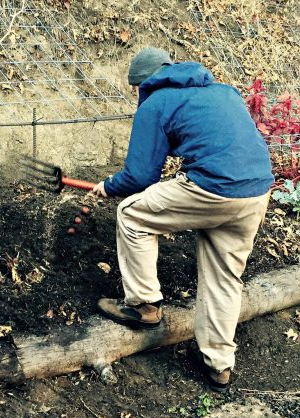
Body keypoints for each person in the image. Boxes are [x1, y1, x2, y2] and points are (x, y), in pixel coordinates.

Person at [91, 47, 273, 392]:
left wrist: (108, 186)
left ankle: (144, 305)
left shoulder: (155, 103)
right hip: (257, 189)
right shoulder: (222, 91)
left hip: (214, 187)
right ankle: (219, 365)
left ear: (141, 84)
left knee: (132, 214)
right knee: (224, 277)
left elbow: (140, 178)